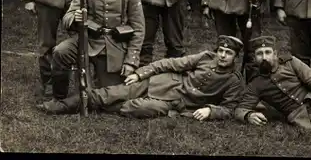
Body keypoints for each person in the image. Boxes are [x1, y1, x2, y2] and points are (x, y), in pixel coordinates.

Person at [37, 35, 245, 121]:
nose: (223, 56)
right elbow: (169, 63)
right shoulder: (205, 57)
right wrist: (140, 73)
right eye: (221, 51)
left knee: (136, 108)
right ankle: (63, 106)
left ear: (235, 57)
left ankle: (96, 106)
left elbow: (230, 107)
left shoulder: (234, 81)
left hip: (174, 103)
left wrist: (211, 110)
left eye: (228, 53)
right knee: (111, 93)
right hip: (161, 82)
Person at [44, 0, 145, 103]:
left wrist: (131, 61)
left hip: (115, 46)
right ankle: (59, 97)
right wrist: (74, 17)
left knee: (108, 96)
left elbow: (139, 29)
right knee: (60, 52)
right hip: (88, 40)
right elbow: (68, 16)